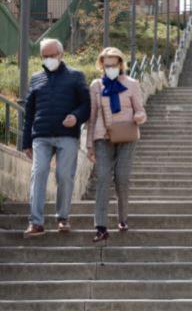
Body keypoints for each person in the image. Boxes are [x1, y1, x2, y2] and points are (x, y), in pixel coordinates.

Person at [21, 38, 91, 237]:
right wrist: (25, 142)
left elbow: (87, 105)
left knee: (64, 176)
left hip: (67, 136)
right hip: (40, 136)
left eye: (52, 55)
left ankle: (63, 218)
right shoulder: (35, 78)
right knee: (39, 173)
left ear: (61, 55)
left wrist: (76, 116)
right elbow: (29, 112)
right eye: (45, 56)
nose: (49, 59)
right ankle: (36, 223)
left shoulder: (76, 76)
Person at [86, 47, 147, 242]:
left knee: (122, 177)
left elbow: (141, 111)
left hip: (127, 136)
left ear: (120, 64)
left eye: (113, 64)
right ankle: (101, 226)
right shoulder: (96, 85)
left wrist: (139, 116)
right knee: (103, 178)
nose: (110, 68)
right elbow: (92, 116)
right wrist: (89, 145)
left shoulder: (132, 84)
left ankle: (123, 217)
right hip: (102, 137)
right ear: (101, 65)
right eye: (106, 64)